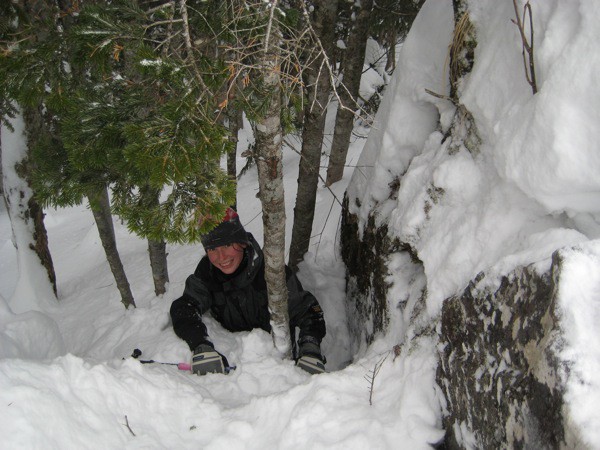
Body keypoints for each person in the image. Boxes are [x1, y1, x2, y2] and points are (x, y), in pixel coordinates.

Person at [170, 208, 327, 375]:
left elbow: (308, 310)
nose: (221, 257)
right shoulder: (207, 272)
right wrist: (201, 345)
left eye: (227, 245)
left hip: (279, 371)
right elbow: (184, 307)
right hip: (233, 375)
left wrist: (310, 348)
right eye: (212, 249)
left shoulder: (271, 271)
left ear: (242, 242)